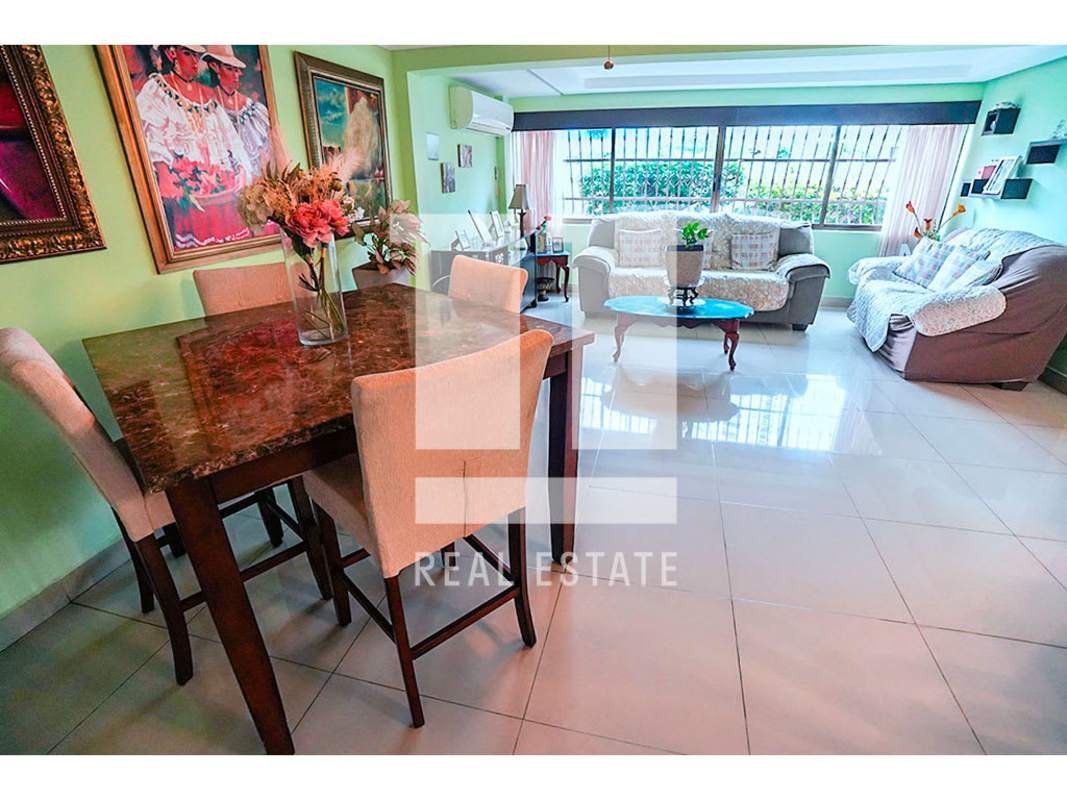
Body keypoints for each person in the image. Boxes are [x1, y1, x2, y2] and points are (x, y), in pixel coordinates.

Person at [134, 45, 254, 249]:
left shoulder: (206, 93)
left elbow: (231, 138)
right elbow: (152, 136)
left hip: (219, 189)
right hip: (187, 190)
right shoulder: (157, 88)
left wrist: (242, 168)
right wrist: (164, 175)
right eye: (188, 54)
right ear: (172, 54)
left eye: (196, 55)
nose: (194, 61)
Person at [203, 45, 271, 170]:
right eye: (229, 69)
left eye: (236, 70)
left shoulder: (253, 109)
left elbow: (266, 153)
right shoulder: (207, 104)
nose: (236, 75)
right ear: (215, 67)